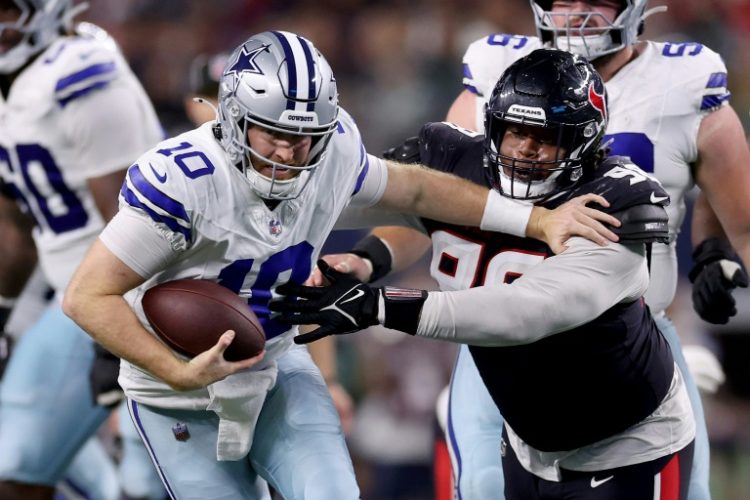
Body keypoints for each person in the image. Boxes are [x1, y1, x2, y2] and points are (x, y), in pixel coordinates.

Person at [62, 31, 620, 500]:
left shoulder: (332, 154)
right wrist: (175, 368)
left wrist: (533, 221)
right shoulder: (182, 182)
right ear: (233, 118)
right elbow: (87, 296)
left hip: (278, 362)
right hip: (175, 391)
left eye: (303, 138)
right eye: (273, 134)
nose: (288, 152)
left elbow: (418, 192)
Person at [315, 1, 750, 498]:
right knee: (480, 484)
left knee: (692, 488)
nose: (578, 13)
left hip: (624, 330)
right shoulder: (499, 74)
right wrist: (368, 257)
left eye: (595, 1)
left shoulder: (684, 85)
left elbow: (738, 212)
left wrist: (713, 246)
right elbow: (439, 200)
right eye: (565, 0)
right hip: (492, 336)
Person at [0, 3, 166, 499]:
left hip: (141, 290)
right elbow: (14, 220)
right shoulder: (17, 84)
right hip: (72, 299)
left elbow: (129, 219)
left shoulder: (80, 70)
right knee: (14, 470)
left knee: (156, 483)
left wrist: (115, 332)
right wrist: (4, 317)